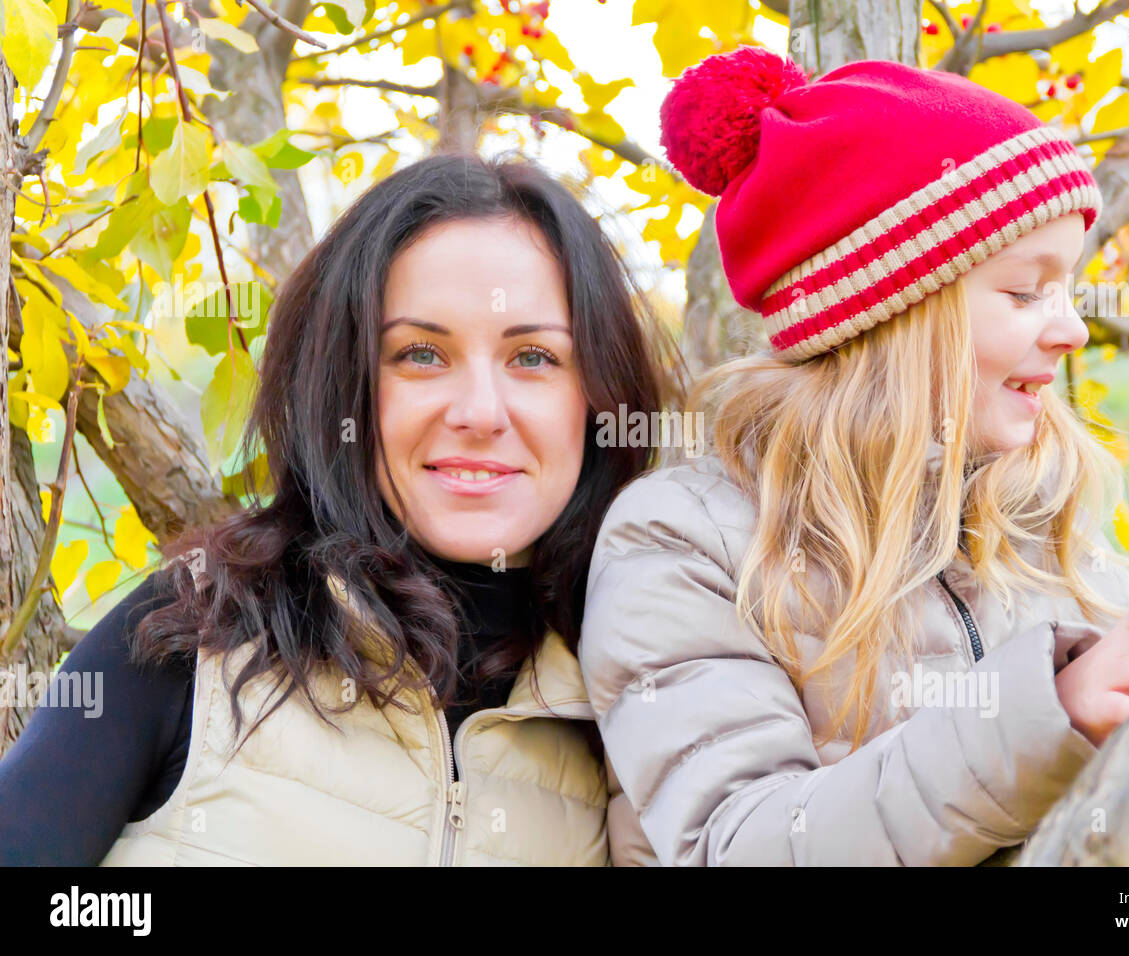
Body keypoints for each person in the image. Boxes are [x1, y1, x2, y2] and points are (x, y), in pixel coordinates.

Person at [579, 47, 1129, 866]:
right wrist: (1045, 712)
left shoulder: (1042, 525)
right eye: (1025, 291)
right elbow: (739, 845)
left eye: (1070, 291)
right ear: (888, 313)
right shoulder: (688, 543)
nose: (1073, 330)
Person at [0, 152, 673, 866]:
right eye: (420, 353)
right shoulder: (186, 636)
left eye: (534, 357)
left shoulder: (640, 708)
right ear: (343, 383)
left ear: (601, 398)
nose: (480, 412)